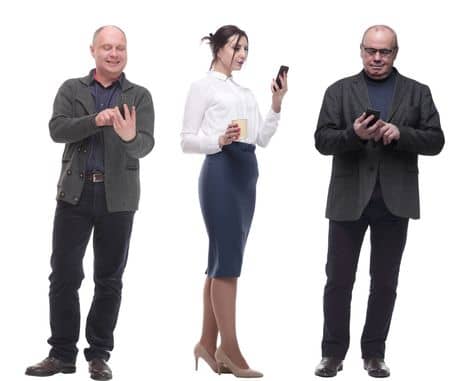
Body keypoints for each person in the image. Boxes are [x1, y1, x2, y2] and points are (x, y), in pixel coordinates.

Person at [311, 24, 445, 379]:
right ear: (360, 50)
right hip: (348, 197)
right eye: (371, 50)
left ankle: (374, 353)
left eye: (384, 52)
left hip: (394, 199)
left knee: (385, 281)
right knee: (338, 279)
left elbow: (436, 141)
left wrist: (401, 134)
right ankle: (332, 354)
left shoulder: (418, 92)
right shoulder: (339, 91)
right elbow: (322, 140)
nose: (376, 57)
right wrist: (353, 135)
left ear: (395, 53)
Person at [28, 25, 155, 381]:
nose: (114, 54)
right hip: (75, 193)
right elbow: (57, 129)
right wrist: (94, 120)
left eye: (120, 48)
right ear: (93, 51)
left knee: (109, 279)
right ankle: (62, 354)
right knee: (65, 276)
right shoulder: (72, 89)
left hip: (119, 198)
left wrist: (130, 137)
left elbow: (145, 145)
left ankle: (98, 354)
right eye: (107, 47)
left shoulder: (139, 96)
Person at [180, 24, 287, 379]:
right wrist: (218, 139)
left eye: (246, 48)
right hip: (221, 173)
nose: (241, 54)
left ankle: (206, 344)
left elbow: (262, 138)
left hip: (246, 174)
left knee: (220, 259)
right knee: (228, 262)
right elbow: (187, 140)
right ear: (218, 48)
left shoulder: (244, 91)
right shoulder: (202, 87)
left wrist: (275, 103)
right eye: (236, 47)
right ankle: (230, 348)